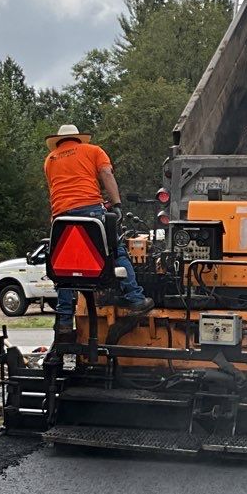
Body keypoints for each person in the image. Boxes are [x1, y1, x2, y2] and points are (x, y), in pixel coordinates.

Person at [44, 123, 152, 338]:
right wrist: (117, 204)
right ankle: (135, 298)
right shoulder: (93, 150)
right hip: (91, 211)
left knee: (65, 268)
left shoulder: (50, 160)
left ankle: (64, 320)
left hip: (61, 217)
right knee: (115, 250)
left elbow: (57, 190)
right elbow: (105, 173)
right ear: (78, 139)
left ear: (58, 141)